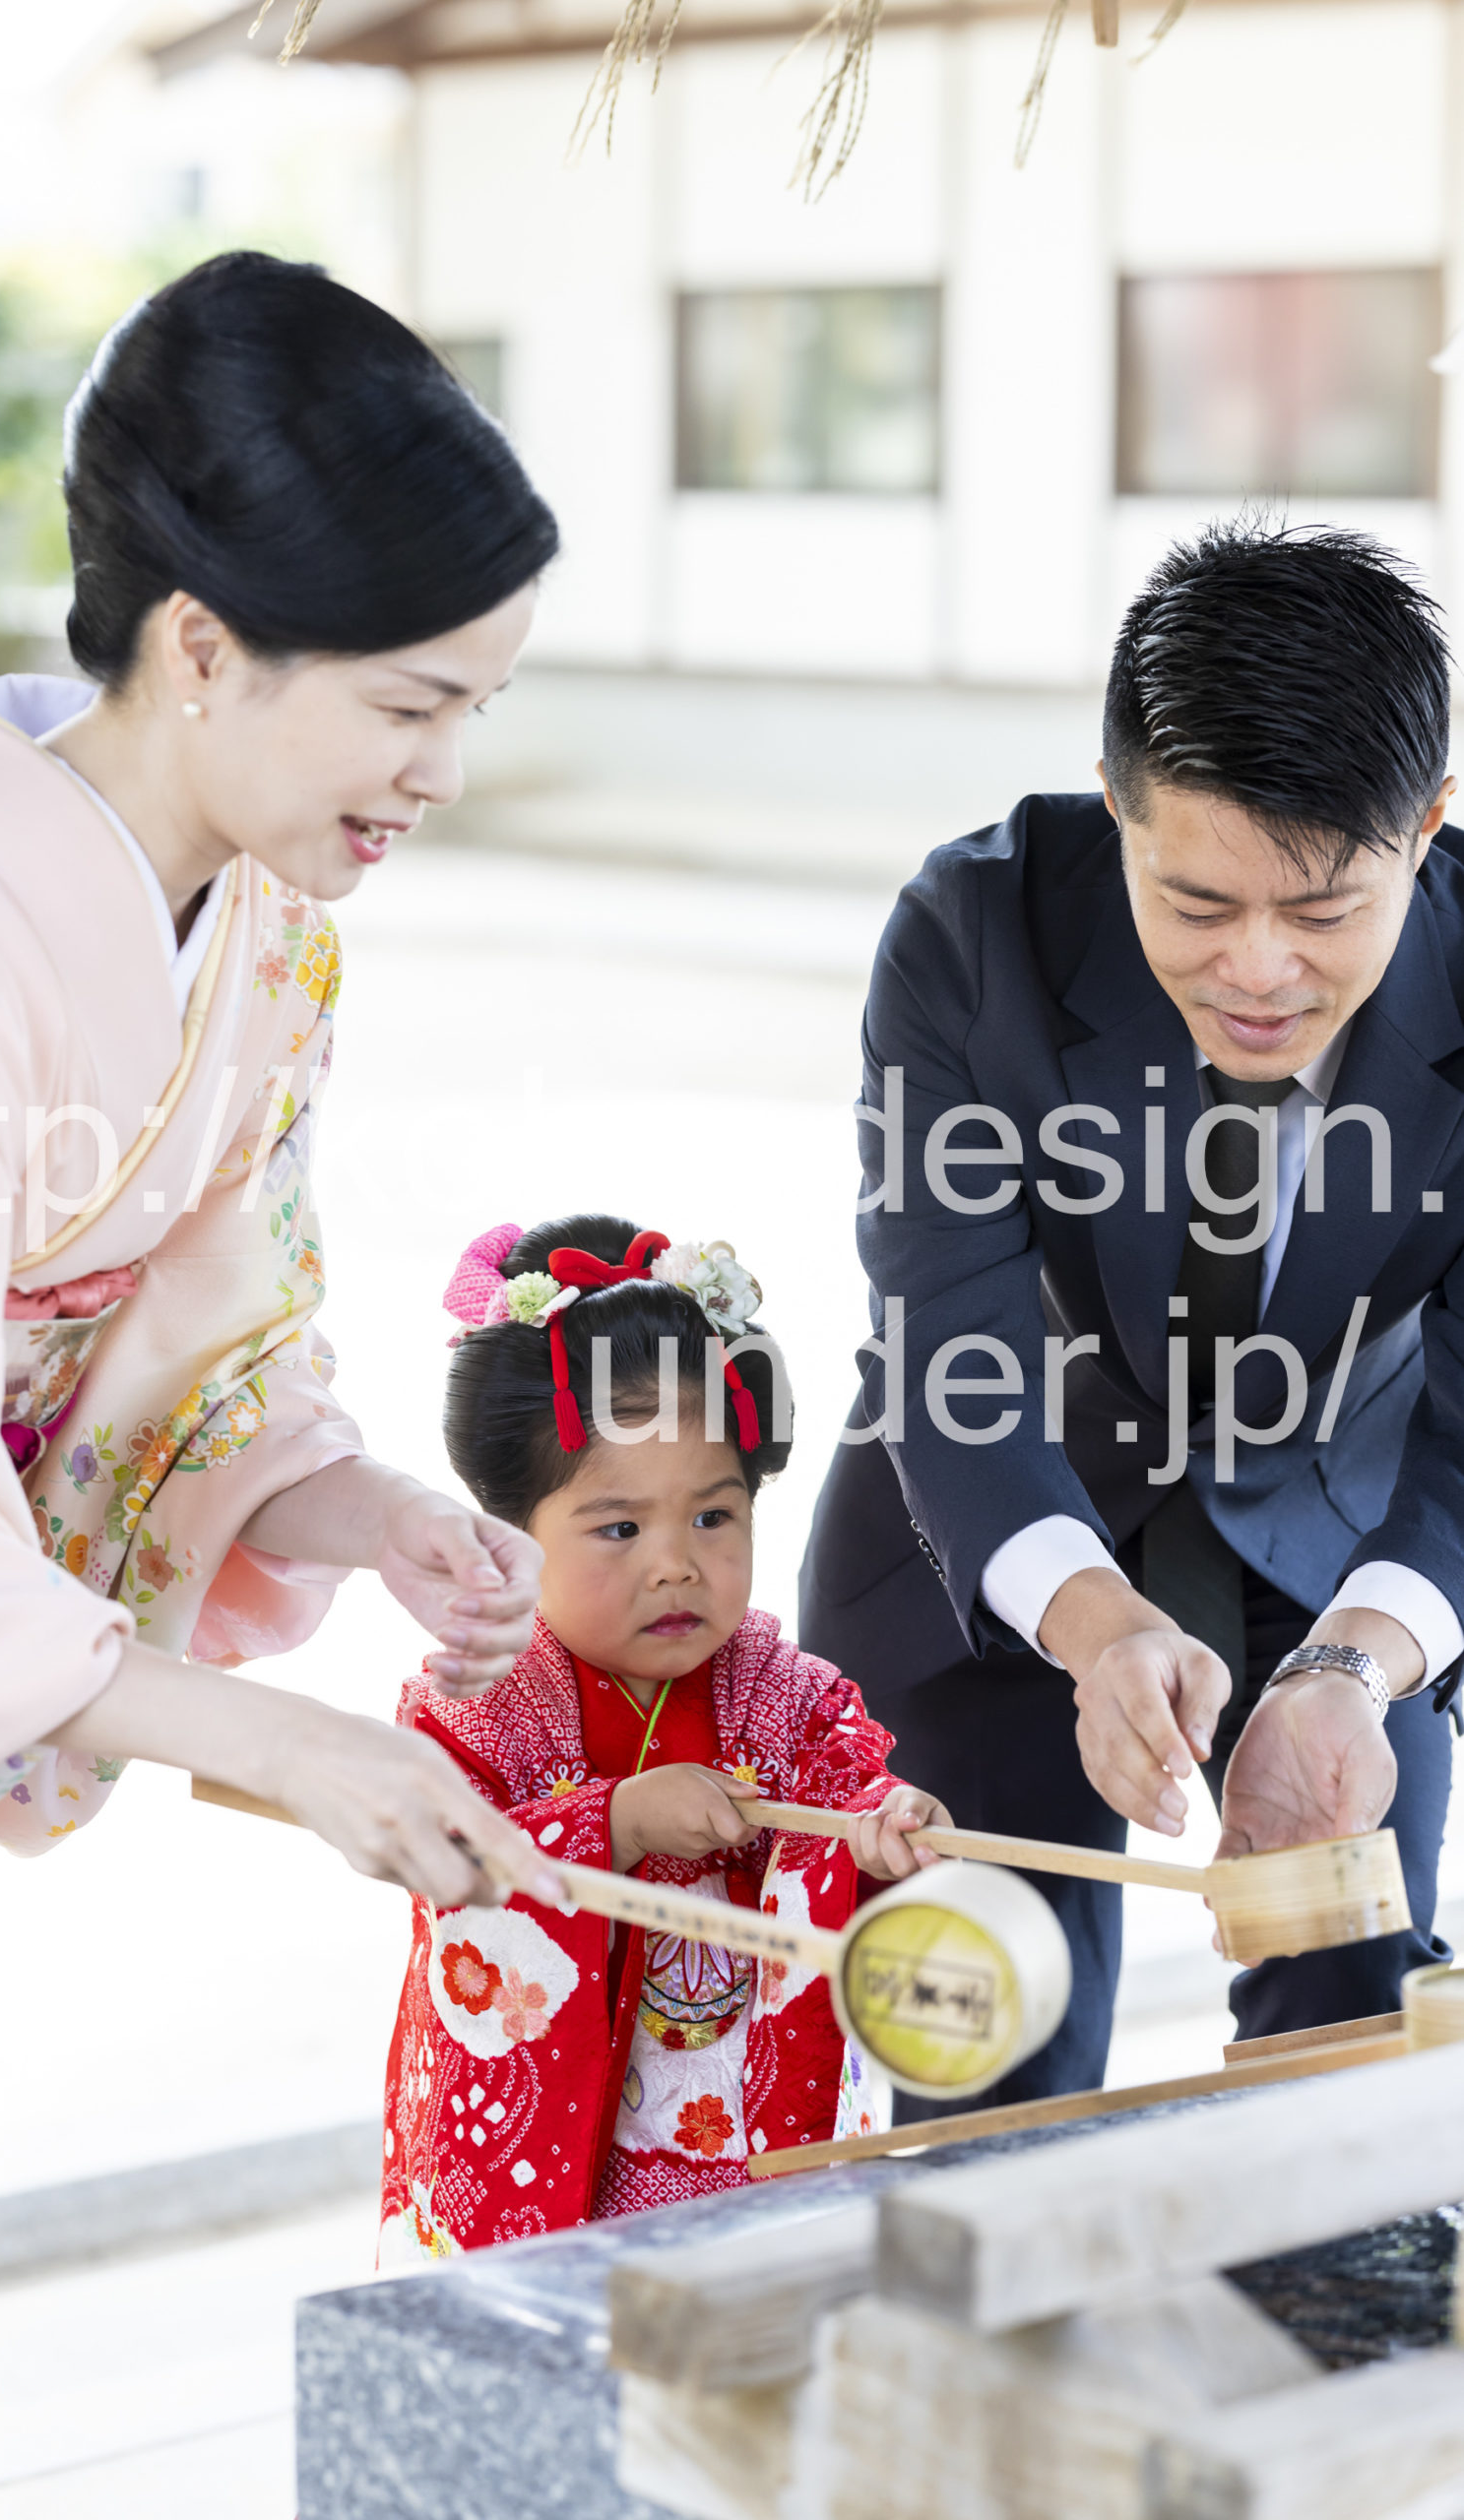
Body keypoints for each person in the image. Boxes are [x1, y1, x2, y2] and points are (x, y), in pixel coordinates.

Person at [0, 252, 570, 2514]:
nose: (440, 771)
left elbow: (208, 1349)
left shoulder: (272, 935)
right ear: (203, 644)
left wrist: (363, 1510)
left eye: (476, 708)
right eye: (411, 702)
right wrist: (283, 1740)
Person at [800, 519, 1461, 2112]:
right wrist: (1096, 1630)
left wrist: (1352, 1669)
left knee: (1347, 2061)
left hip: (1344, 1544)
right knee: (986, 2072)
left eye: (1321, 913)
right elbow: (946, 1338)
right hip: (998, 1538)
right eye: (1195, 901)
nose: (1256, 970)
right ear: (1115, 803)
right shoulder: (972, 936)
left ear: (1426, 826)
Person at [379, 1215, 952, 2259]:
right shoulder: (476, 1705)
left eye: (713, 1517)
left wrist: (881, 1830)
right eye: (619, 1527)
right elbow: (450, 1865)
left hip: (736, 2133)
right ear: (509, 1533)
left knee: (757, 2322)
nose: (676, 1563)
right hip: (563, 2163)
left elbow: (847, 1799)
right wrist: (616, 1821)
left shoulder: (787, 1695)